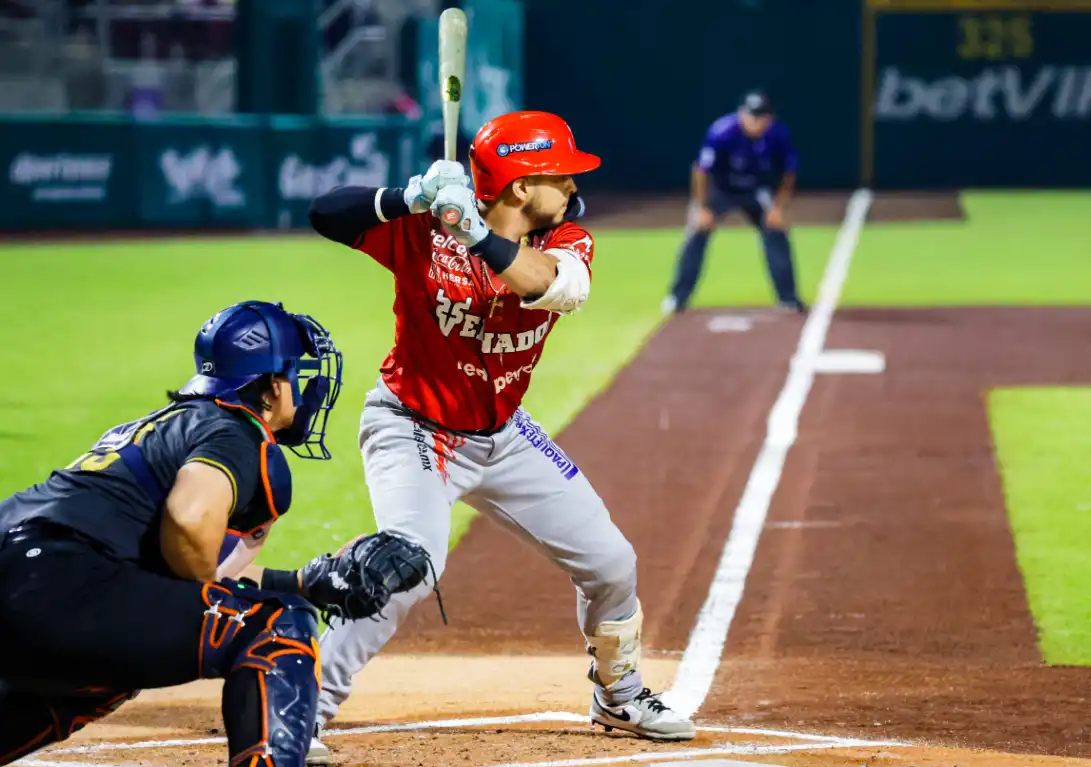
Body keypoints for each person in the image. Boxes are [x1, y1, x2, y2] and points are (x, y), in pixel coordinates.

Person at [305, 110, 696, 765]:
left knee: (611, 564)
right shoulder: (425, 232)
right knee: (404, 567)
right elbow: (325, 213)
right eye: (560, 175)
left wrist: (477, 231)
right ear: (519, 186)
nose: (573, 187)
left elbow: (552, 285)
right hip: (413, 430)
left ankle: (618, 693)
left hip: (505, 436)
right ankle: (295, 710)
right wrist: (409, 198)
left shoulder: (567, 237)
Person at [0, 300, 431, 767]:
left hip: (34, 576)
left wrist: (303, 581)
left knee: (106, 676)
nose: (303, 390)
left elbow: (194, 567)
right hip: (53, 582)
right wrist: (285, 601)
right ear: (270, 385)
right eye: (295, 374)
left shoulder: (167, 425)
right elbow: (188, 522)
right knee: (278, 626)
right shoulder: (235, 432)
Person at [663, 90, 807, 314]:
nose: (756, 122)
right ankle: (677, 297)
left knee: (777, 231)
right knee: (697, 230)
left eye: (761, 117)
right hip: (720, 189)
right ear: (741, 114)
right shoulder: (722, 132)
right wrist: (701, 207)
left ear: (769, 118)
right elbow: (701, 171)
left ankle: (788, 298)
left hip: (756, 190)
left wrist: (778, 208)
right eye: (751, 116)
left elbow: (789, 173)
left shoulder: (778, 135)